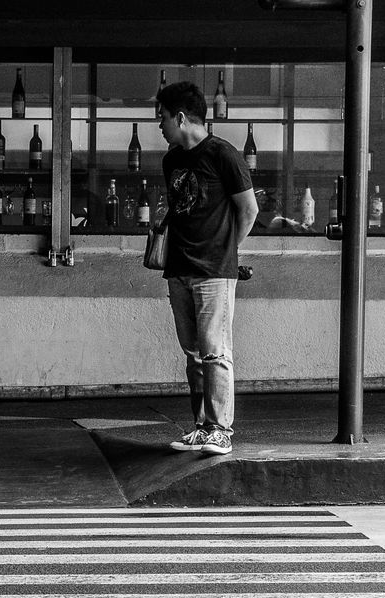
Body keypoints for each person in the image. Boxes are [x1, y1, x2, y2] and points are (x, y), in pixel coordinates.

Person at [156, 81, 259, 457]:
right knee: (194, 353)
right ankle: (202, 427)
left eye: (163, 118)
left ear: (181, 117)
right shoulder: (171, 160)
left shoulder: (223, 155)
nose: (160, 125)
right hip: (178, 267)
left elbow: (249, 210)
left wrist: (227, 249)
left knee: (216, 350)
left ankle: (221, 430)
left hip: (214, 269)